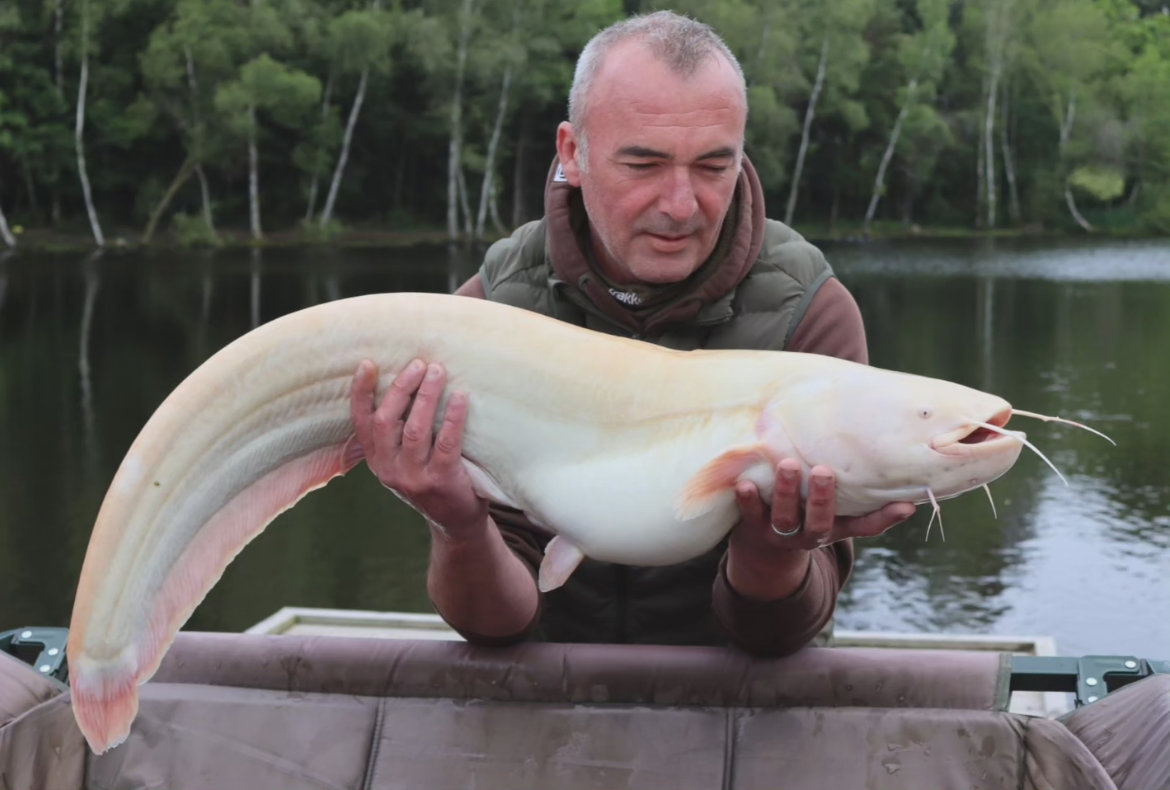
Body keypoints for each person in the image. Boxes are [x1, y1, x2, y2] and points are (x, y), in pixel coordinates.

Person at [349, 11, 917, 656]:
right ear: (574, 153)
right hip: (551, 701)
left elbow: (777, 640)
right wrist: (458, 524)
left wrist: (773, 553)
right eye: (643, 164)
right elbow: (497, 627)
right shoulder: (491, 315)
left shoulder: (809, 314)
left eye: (712, 166)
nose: (680, 205)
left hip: (742, 712)